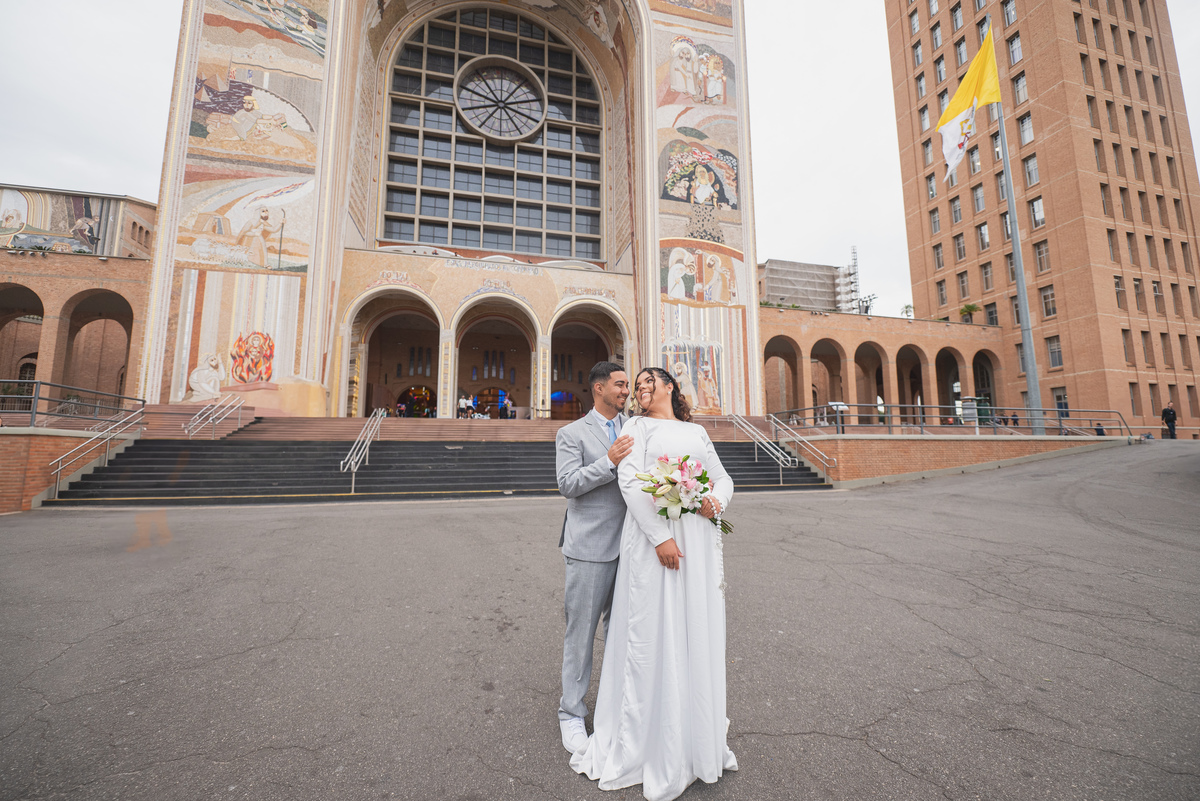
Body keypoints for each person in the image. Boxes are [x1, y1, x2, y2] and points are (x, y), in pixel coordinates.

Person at [571, 366, 737, 801]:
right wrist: (661, 537)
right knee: (652, 630)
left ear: (669, 387)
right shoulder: (636, 428)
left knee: (693, 626)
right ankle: (646, 736)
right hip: (654, 543)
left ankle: (694, 736)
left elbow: (722, 477)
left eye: (649, 382)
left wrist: (714, 500)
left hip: (698, 537)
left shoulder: (697, 432)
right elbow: (630, 482)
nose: (641, 390)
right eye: (635, 386)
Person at [555, 362, 633, 754]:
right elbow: (568, 483)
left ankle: (615, 710)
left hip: (633, 550)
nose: (626, 391)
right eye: (620, 385)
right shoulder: (571, 433)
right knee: (581, 635)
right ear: (598, 388)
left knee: (623, 634)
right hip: (588, 549)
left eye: (627, 385)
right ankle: (571, 713)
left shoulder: (635, 428)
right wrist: (609, 462)